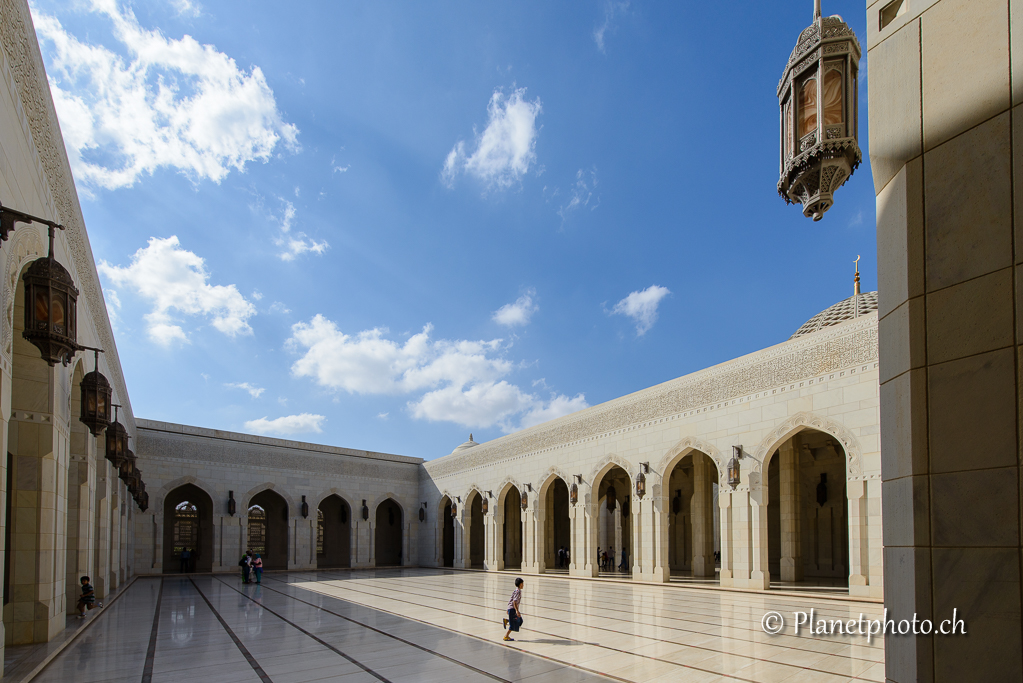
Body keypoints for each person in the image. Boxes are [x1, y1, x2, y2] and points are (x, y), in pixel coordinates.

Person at [502, 577, 524, 641]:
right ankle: (506, 636)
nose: (523, 585)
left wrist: (508, 608)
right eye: (522, 584)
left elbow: (511, 600)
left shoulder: (516, 590)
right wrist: (517, 611)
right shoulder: (518, 591)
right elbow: (514, 601)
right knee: (513, 624)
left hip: (511, 608)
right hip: (512, 609)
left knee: (520, 621)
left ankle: (507, 621)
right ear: (520, 584)